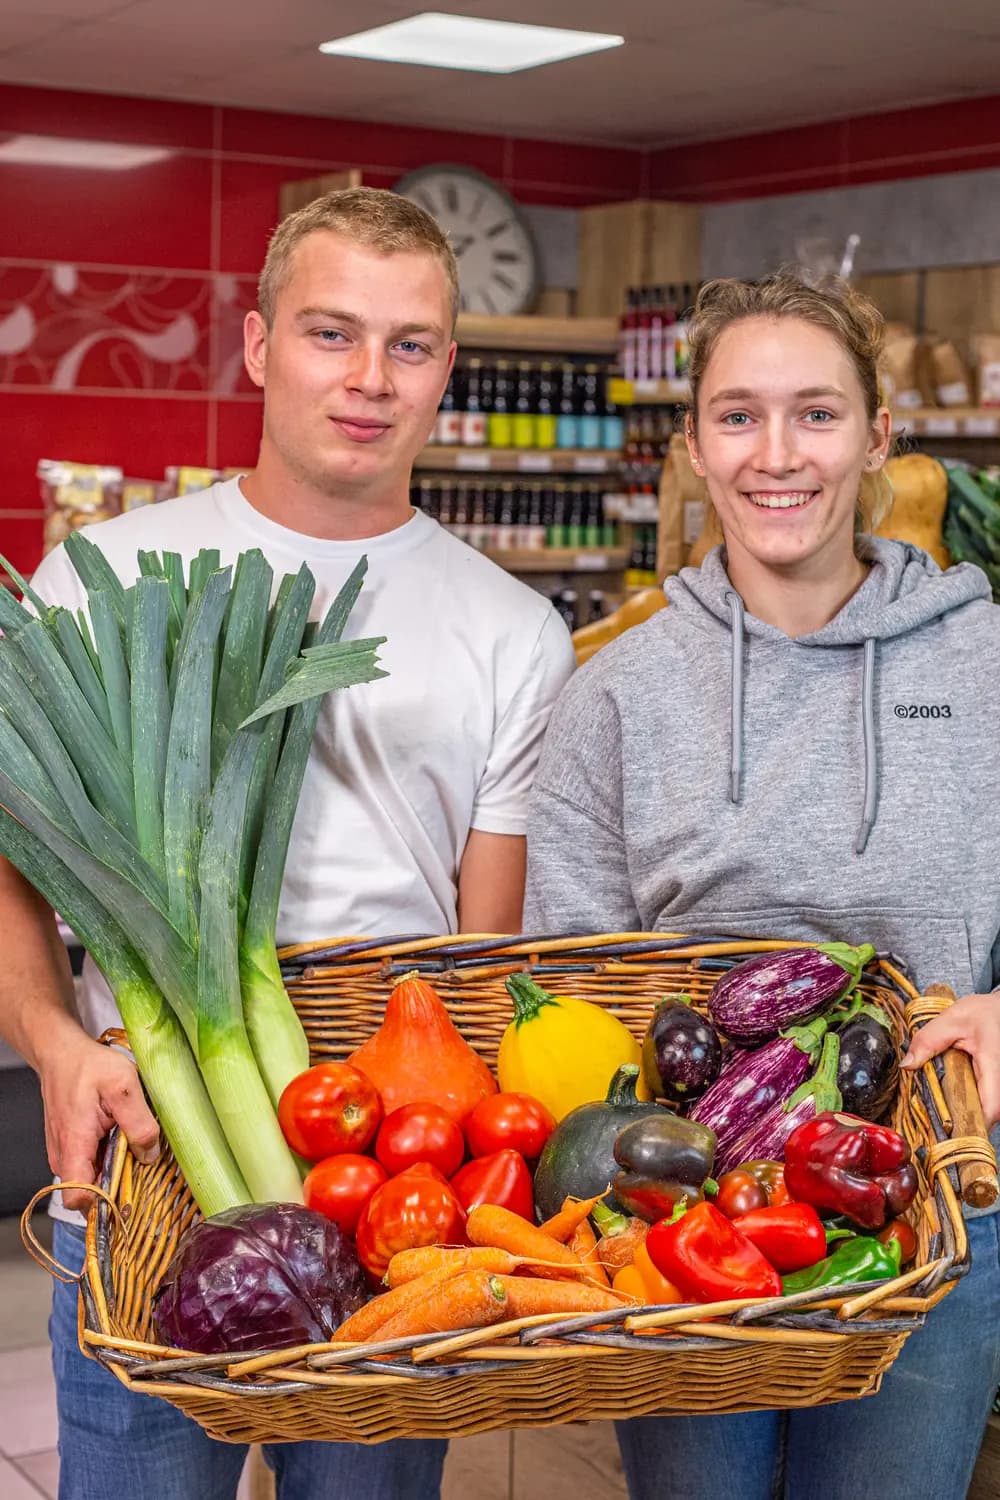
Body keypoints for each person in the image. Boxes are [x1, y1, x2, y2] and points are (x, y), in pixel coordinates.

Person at [1, 187, 576, 1500]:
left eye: (412, 344)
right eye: (331, 333)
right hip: (151, 1142)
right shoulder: (105, 582)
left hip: (386, 1172)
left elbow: (478, 954)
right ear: (260, 349)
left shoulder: (515, 630)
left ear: (447, 371)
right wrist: (51, 1043)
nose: (371, 378)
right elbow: (16, 863)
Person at [524, 271, 1000, 1500]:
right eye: (736, 416)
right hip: (690, 1205)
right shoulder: (614, 695)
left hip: (934, 1196)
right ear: (690, 443)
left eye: (816, 414)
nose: (775, 455)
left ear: (880, 437)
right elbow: (569, 983)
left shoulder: (985, 660)